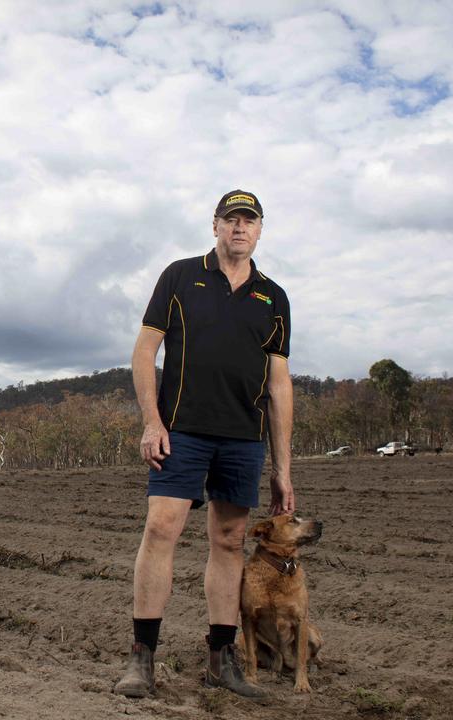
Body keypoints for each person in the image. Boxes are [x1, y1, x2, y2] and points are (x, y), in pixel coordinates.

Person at [114, 189, 295, 699]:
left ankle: (221, 661)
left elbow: (279, 384)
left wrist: (283, 468)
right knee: (161, 528)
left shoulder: (273, 297)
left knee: (231, 541)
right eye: (231, 219)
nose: (239, 228)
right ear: (215, 225)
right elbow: (145, 350)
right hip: (182, 430)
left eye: (249, 220)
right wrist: (153, 422)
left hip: (242, 437)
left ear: (260, 231)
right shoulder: (180, 276)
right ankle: (141, 659)